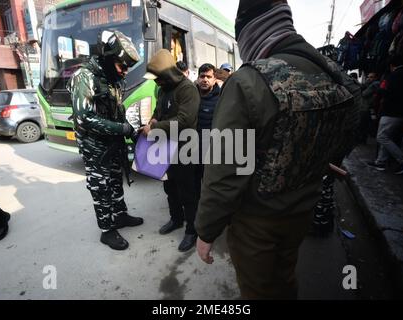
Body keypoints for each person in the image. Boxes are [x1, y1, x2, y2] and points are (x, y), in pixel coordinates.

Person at [195, 0, 360, 299]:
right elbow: (351, 124)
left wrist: (206, 231)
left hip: (258, 221)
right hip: (302, 209)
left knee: (258, 289)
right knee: (284, 276)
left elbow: (226, 171)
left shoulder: (249, 82)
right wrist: (324, 159)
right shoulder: (333, 73)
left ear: (252, 32)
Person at [67, 30, 144, 251]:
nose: (125, 71)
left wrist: (129, 130)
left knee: (114, 180)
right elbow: (84, 118)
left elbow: (116, 109)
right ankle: (107, 230)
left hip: (112, 143)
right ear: (109, 59)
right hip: (94, 146)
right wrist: (121, 128)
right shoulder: (84, 77)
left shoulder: (112, 79)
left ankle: (120, 216)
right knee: (100, 187)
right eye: (122, 65)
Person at [141, 49, 200, 252]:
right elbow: (159, 112)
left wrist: (155, 128)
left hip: (185, 147)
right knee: (170, 188)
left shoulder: (188, 89)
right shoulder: (162, 90)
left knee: (188, 192)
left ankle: (192, 230)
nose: (156, 82)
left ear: (166, 74)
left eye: (158, 78)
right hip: (165, 148)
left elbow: (185, 121)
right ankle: (176, 219)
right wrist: (152, 121)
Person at [367, 55, 403, 174]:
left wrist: (379, 91)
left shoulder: (396, 75)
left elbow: (391, 93)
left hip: (392, 111)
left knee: (382, 137)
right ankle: (381, 162)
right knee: (386, 136)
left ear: (391, 66)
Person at [194, 63, 221, 201]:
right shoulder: (191, 96)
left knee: (210, 187)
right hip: (191, 149)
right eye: (202, 76)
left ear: (215, 79)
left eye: (208, 77)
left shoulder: (221, 98)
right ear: (198, 78)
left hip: (211, 150)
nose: (205, 79)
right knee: (192, 187)